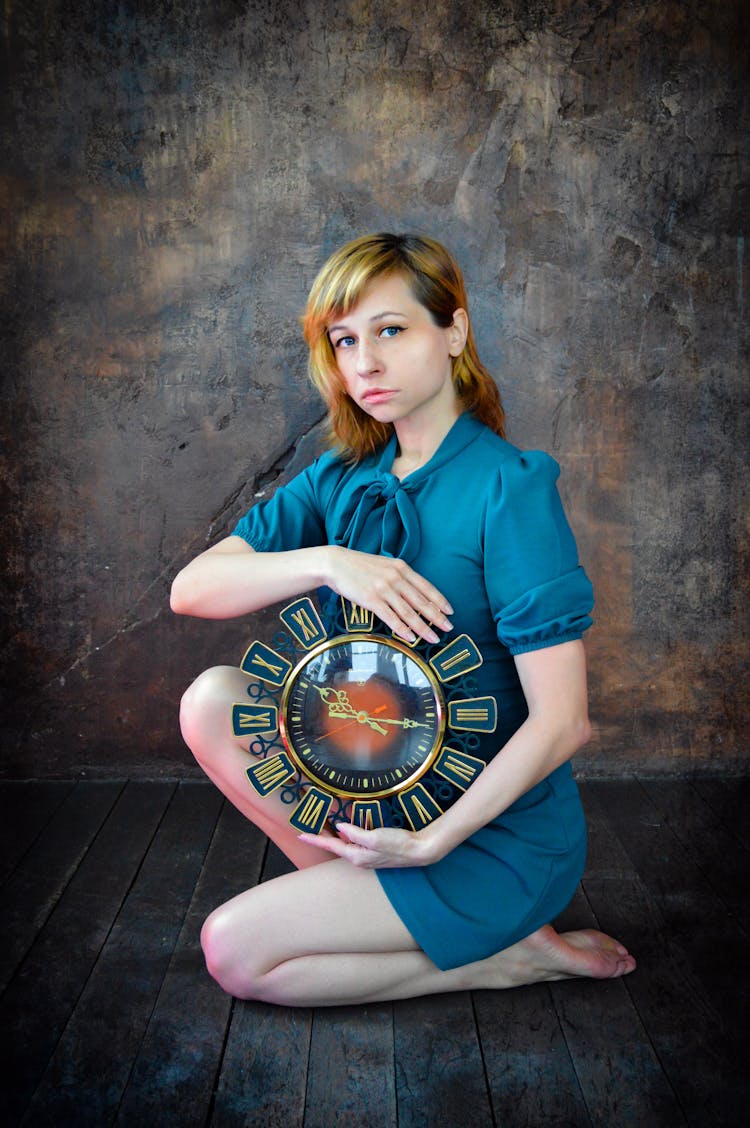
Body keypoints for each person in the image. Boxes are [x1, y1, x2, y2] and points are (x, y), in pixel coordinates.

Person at [171, 232, 635, 1006]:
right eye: (344, 340)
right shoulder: (342, 475)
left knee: (234, 955)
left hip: (489, 837)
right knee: (211, 700)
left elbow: (565, 724)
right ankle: (392, 910)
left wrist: (431, 842)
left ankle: (508, 951)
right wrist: (329, 561)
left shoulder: (510, 489)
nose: (365, 364)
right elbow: (193, 588)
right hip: (377, 800)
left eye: (391, 330)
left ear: (452, 332)